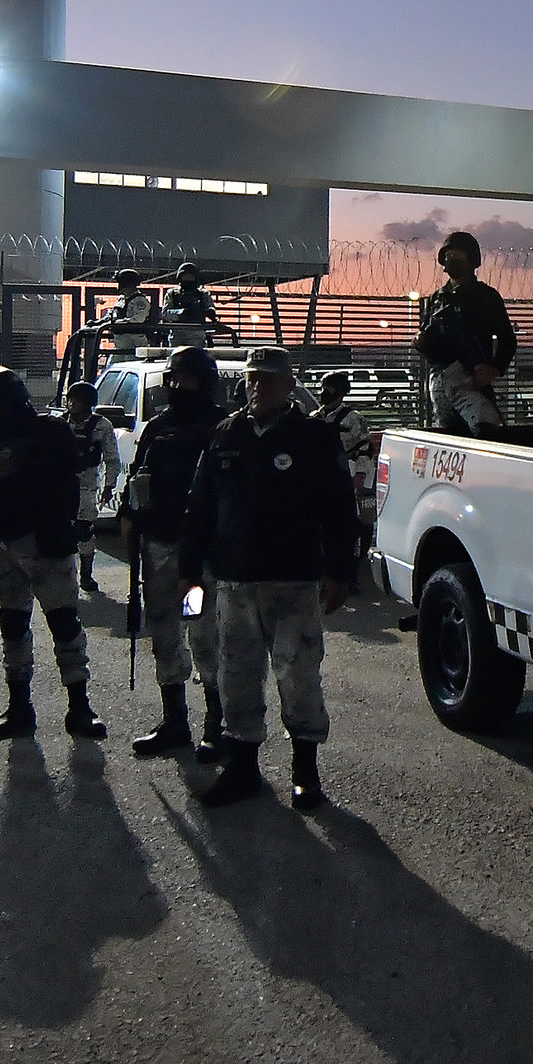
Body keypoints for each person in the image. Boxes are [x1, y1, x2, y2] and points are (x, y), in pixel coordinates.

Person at [178, 346, 359, 809]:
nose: (258, 386)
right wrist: (189, 569)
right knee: (236, 674)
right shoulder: (226, 433)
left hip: (293, 580)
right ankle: (243, 767)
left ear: (289, 385)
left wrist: (340, 572)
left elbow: (340, 509)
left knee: (298, 675)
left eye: (269, 379)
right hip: (235, 581)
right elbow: (200, 505)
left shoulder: (314, 436)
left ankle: (305, 772)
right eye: (253, 378)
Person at [0, 367, 107, 741]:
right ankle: (19, 707)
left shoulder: (52, 432)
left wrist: (11, 465)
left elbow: (65, 464)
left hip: (48, 543)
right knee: (13, 625)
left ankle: (79, 707)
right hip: (3, 545)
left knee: (65, 624)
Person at [122, 347, 226, 759]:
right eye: (174, 379)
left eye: (186, 379)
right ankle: (174, 720)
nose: (177, 386)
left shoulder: (221, 427)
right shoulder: (159, 426)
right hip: (159, 544)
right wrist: (130, 516)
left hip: (200, 553)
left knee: (205, 634)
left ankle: (217, 724)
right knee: (164, 631)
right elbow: (138, 475)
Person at [418, 230, 517, 434]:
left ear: (471, 259)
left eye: (457, 253)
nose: (450, 258)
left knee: (485, 430)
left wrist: (494, 368)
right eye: (448, 254)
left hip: (469, 377)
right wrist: (422, 341)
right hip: (439, 378)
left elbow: (507, 339)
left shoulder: (484, 296)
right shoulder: (437, 298)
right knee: (448, 436)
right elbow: (426, 333)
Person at [61, 380, 123, 594]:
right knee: (61, 531)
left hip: (86, 485)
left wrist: (109, 485)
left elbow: (112, 458)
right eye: (70, 400)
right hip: (61, 484)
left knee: (84, 530)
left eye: (76, 400)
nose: (71, 404)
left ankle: (86, 575)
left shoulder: (102, 425)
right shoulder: (59, 424)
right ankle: (64, 575)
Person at [314, 369, 380, 560]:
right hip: (324, 476)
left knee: (356, 519)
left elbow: (365, 448)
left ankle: (356, 558)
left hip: (349, 474)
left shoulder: (353, 418)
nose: (324, 393)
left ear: (340, 392)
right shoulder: (315, 417)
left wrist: (360, 476)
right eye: (322, 388)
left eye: (329, 389)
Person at [164, 262, 225, 342]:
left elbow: (210, 307)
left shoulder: (203, 294)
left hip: (197, 334)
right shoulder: (172, 294)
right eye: (185, 277)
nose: (188, 279)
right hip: (177, 334)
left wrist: (210, 312)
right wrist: (180, 313)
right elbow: (164, 313)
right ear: (180, 278)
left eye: (191, 277)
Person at [101, 270, 161, 351]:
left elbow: (138, 319)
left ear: (127, 283)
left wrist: (117, 323)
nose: (118, 286)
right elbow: (113, 314)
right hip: (120, 343)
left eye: (120, 283)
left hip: (134, 345)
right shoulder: (122, 299)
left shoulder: (140, 300)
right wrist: (100, 322)